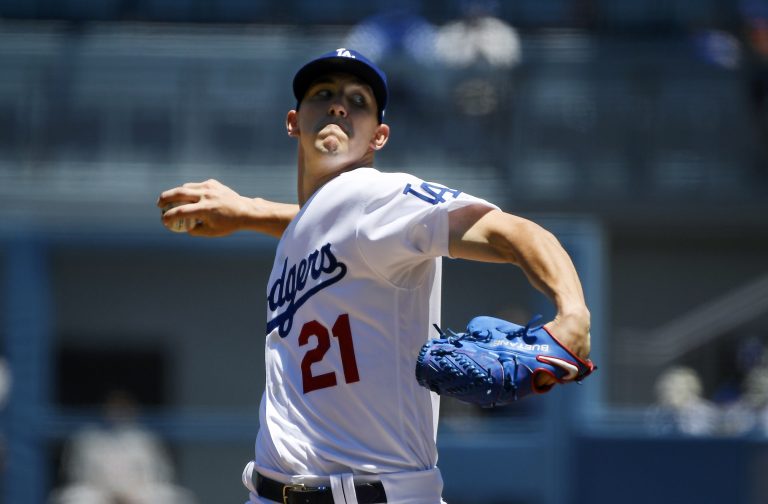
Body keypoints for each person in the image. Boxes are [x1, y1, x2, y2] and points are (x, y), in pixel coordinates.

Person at [157, 48, 591, 504]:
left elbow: (515, 232)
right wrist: (253, 212)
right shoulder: (315, 230)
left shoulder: (378, 194)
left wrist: (573, 313)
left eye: (358, 102)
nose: (338, 106)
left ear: (378, 138)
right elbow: (332, 229)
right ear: (293, 122)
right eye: (322, 94)